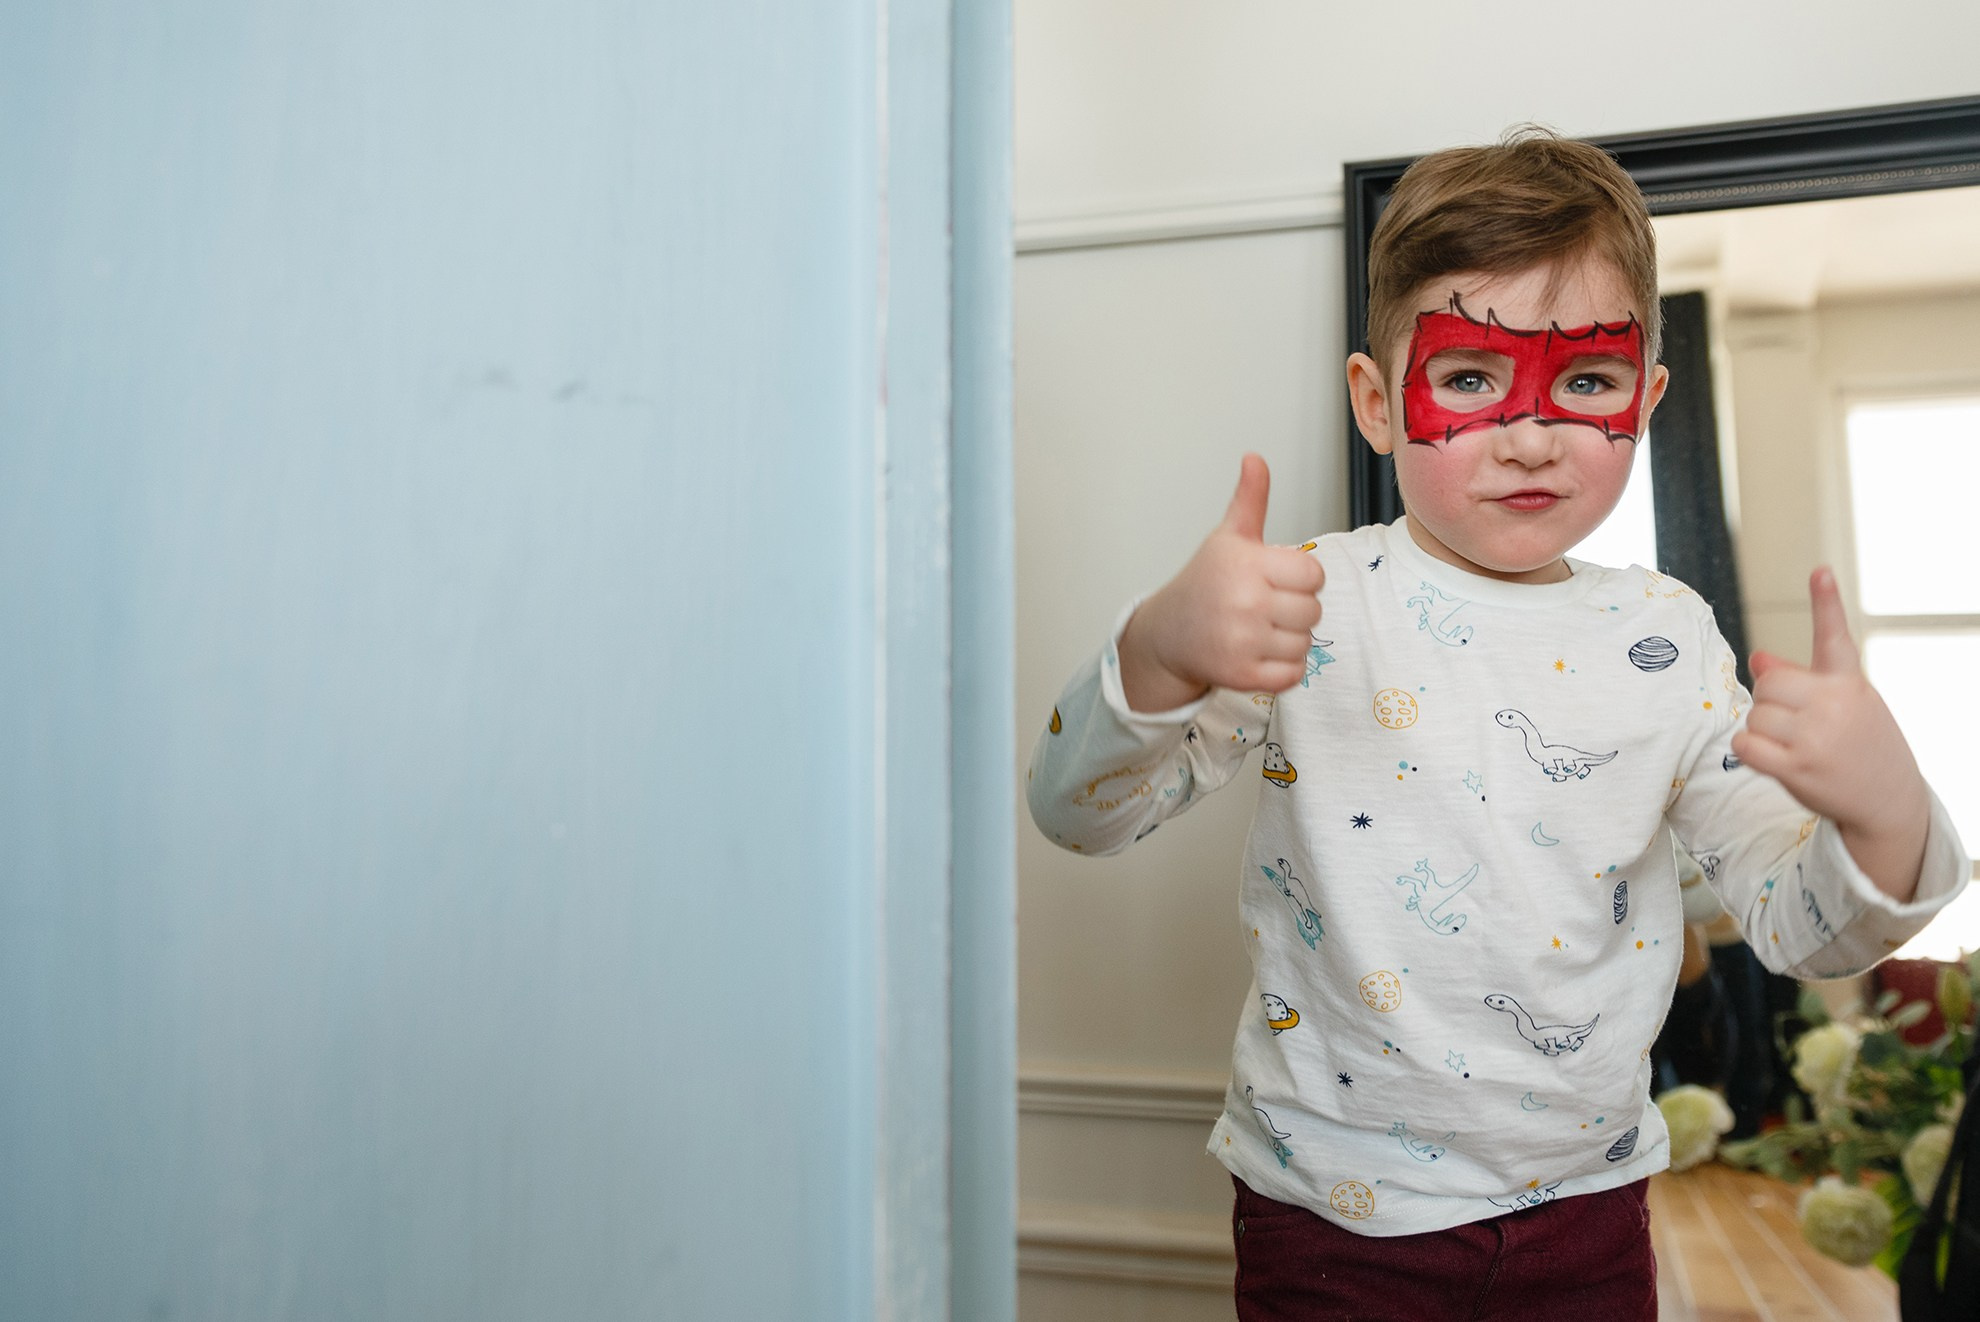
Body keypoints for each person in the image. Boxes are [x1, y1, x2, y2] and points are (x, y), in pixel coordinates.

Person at [1026, 128, 1970, 1320]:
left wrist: (1885, 815)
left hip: (1587, 1209)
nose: (1531, 432)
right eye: (1470, 379)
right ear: (1376, 402)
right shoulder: (1304, 601)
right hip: (1330, 1210)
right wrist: (1154, 650)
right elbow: (1074, 813)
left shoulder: (1669, 636)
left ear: (1648, 398)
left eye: (1584, 382)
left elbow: (1801, 929)